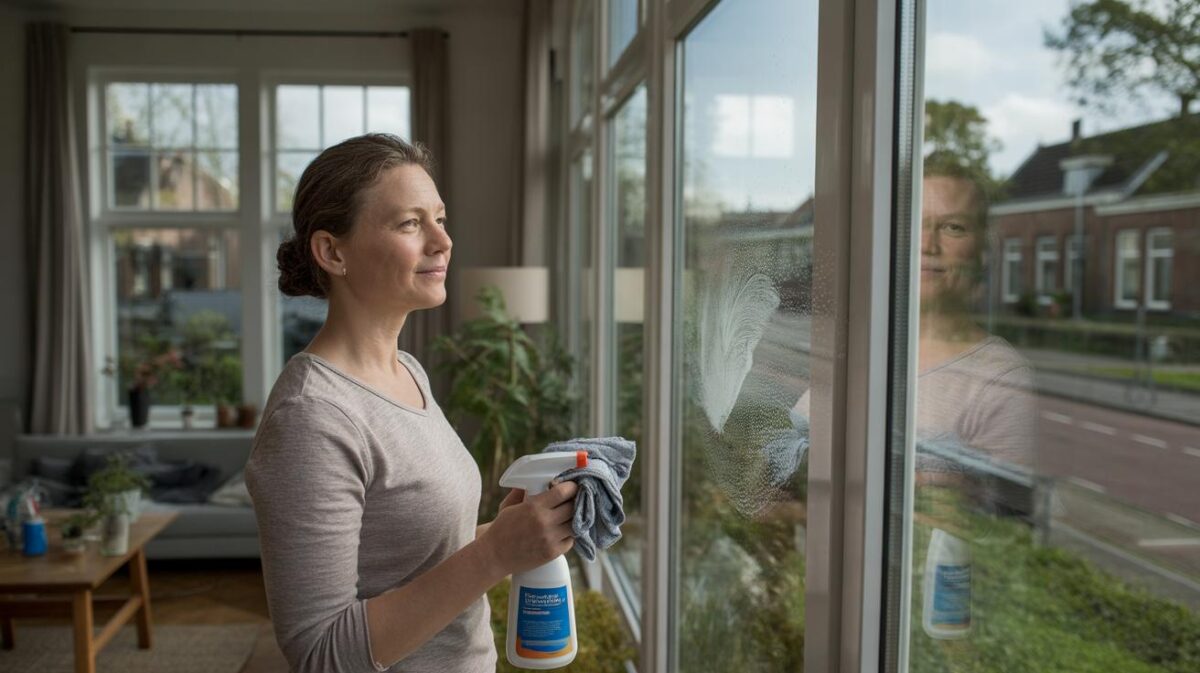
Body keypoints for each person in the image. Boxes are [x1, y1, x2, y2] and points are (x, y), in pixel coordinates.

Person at [245, 134, 578, 673]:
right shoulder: (312, 418)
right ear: (333, 252)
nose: (442, 241)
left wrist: (512, 533)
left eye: (440, 219)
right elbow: (320, 654)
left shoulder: (408, 372)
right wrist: (492, 556)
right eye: (409, 223)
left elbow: (415, 560)